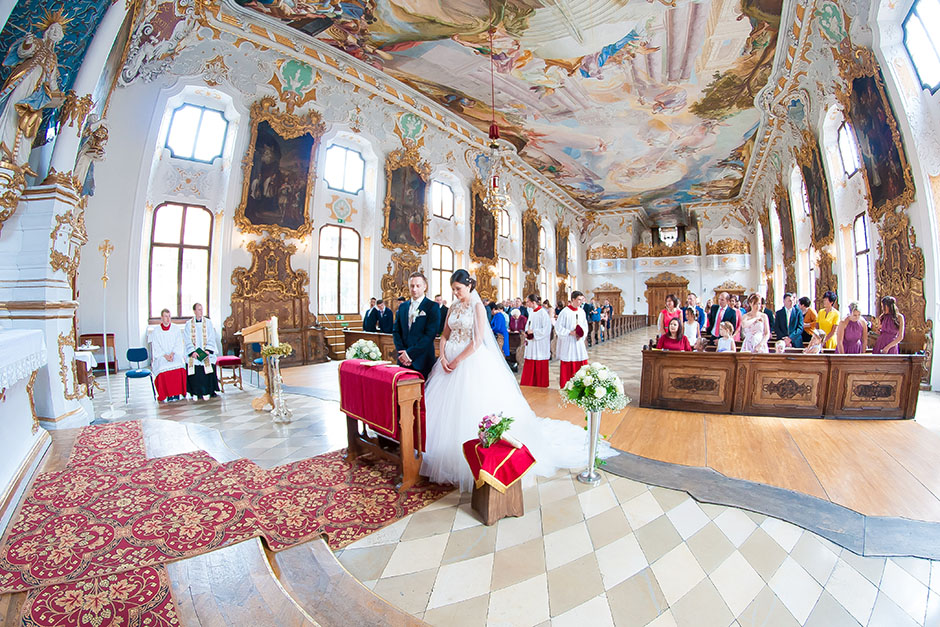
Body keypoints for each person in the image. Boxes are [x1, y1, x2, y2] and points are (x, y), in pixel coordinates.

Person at [421, 270, 610, 491]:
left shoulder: (477, 306)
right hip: (447, 363)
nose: (455, 293)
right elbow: (445, 335)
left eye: (458, 289)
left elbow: (477, 341)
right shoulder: (453, 307)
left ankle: (469, 460)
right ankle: (441, 452)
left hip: (469, 362)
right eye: (453, 289)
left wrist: (457, 361)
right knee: (444, 411)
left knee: (468, 406)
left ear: (469, 286)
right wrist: (443, 356)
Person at [392, 272, 441, 379]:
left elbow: (429, 335)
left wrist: (410, 354)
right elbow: (396, 331)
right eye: (412, 286)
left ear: (425, 286)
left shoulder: (432, 307)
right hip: (402, 361)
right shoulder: (403, 306)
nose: (414, 289)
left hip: (422, 360)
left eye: (418, 286)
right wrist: (402, 353)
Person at [184, 303, 221, 400]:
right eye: (199, 310)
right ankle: (197, 392)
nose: (201, 312)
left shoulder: (208, 323)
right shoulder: (189, 324)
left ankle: (210, 391)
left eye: (202, 309)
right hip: (195, 353)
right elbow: (187, 339)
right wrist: (192, 352)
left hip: (206, 352)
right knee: (195, 367)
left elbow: (211, 337)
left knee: (208, 364)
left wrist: (208, 350)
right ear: (194, 311)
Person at [150, 308, 187, 402]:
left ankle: (177, 393)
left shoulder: (176, 329)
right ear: (161, 318)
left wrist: (172, 353)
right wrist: (165, 355)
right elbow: (156, 346)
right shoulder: (156, 331)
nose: (168, 319)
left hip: (174, 354)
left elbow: (179, 343)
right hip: (162, 356)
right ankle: (166, 394)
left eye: (169, 316)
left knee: (179, 366)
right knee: (163, 368)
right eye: (165, 316)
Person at [556, 290, 588, 388]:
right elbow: (558, 327)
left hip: (578, 343)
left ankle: (581, 386)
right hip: (568, 342)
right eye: (578, 300)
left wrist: (581, 334)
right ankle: (566, 386)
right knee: (568, 362)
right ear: (573, 299)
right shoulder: (565, 312)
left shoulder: (582, 311)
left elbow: (585, 326)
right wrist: (570, 332)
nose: (580, 302)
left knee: (580, 362)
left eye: (581, 300)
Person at [520, 294, 551, 387]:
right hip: (532, 341)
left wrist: (533, 332)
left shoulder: (543, 313)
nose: (526, 303)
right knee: (530, 359)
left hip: (540, 343)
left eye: (528, 301)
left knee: (539, 360)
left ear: (533, 302)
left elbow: (546, 329)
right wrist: (527, 332)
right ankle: (529, 382)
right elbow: (528, 325)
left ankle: (540, 384)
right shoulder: (532, 312)